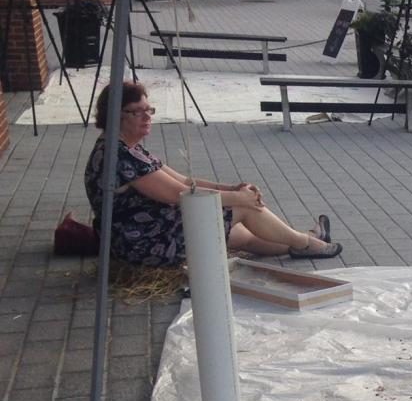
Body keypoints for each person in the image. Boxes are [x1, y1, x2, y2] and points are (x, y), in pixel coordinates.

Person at [84, 80, 342, 266]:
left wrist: (230, 188)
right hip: (141, 243)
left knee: (244, 237)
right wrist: (238, 199)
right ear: (114, 115)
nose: (147, 117)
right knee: (241, 211)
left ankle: (304, 241)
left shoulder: (126, 148)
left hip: (152, 228)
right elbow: (181, 194)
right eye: (136, 112)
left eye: (148, 110)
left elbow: (185, 180)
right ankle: (310, 244)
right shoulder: (120, 156)